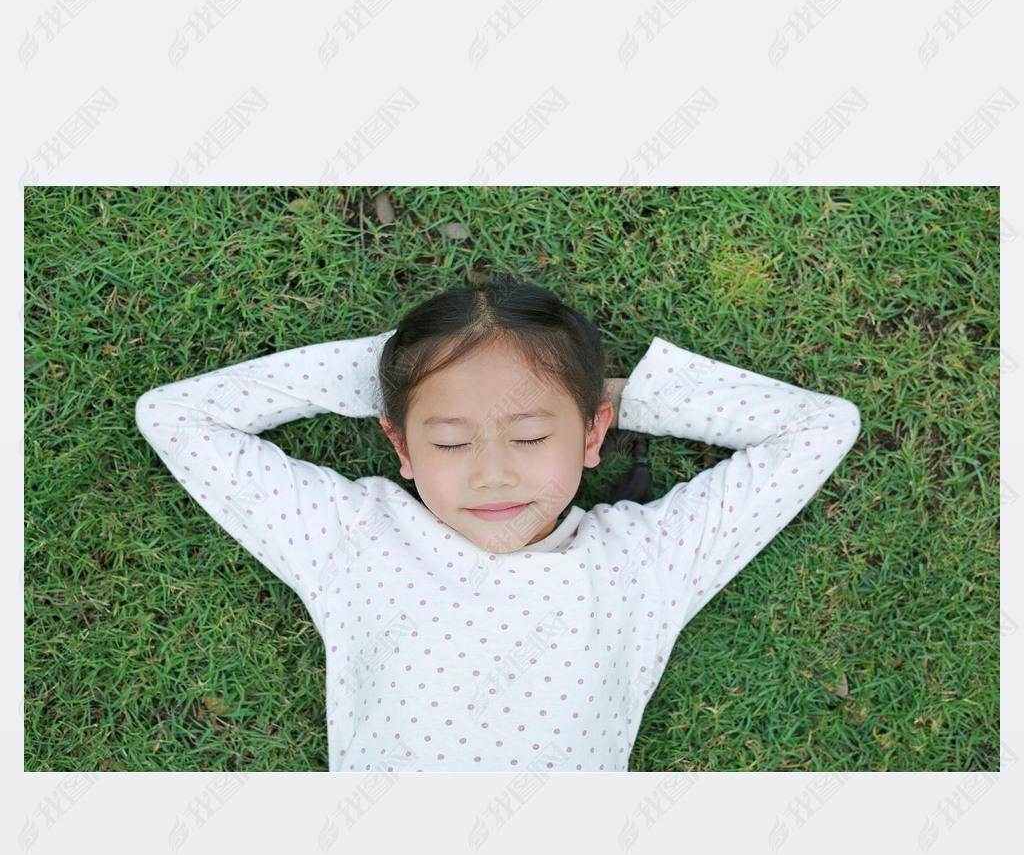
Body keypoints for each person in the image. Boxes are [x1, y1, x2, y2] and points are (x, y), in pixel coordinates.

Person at [135, 275, 861, 773]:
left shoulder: (648, 562)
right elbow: (174, 415)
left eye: (531, 436)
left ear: (589, 435)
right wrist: (396, 368)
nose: (493, 474)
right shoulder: (352, 538)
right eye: (450, 441)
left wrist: (617, 396)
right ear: (402, 446)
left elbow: (821, 427)